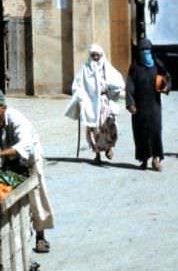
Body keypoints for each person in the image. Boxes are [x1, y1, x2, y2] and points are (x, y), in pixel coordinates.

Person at [0, 85, 54, 253]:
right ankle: (16, 237)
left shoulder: (16, 118)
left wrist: (0, 154)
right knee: (10, 195)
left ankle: (40, 236)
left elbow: (25, 145)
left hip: (30, 156)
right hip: (8, 155)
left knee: (36, 195)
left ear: (4, 107)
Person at [64, 43, 125, 163]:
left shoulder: (107, 68)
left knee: (107, 125)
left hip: (104, 103)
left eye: (97, 55)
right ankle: (97, 154)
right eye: (93, 55)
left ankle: (108, 147)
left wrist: (109, 87)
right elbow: (77, 86)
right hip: (90, 104)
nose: (95, 58)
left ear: (101, 55)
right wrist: (80, 97)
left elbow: (119, 83)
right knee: (93, 129)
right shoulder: (85, 69)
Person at [125, 38, 171, 171]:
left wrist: (166, 86)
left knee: (155, 131)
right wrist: (130, 103)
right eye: (142, 50)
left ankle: (156, 159)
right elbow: (129, 86)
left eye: (147, 50)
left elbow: (167, 77)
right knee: (141, 133)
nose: (145, 52)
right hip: (139, 107)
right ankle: (144, 159)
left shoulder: (157, 65)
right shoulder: (135, 68)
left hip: (154, 105)